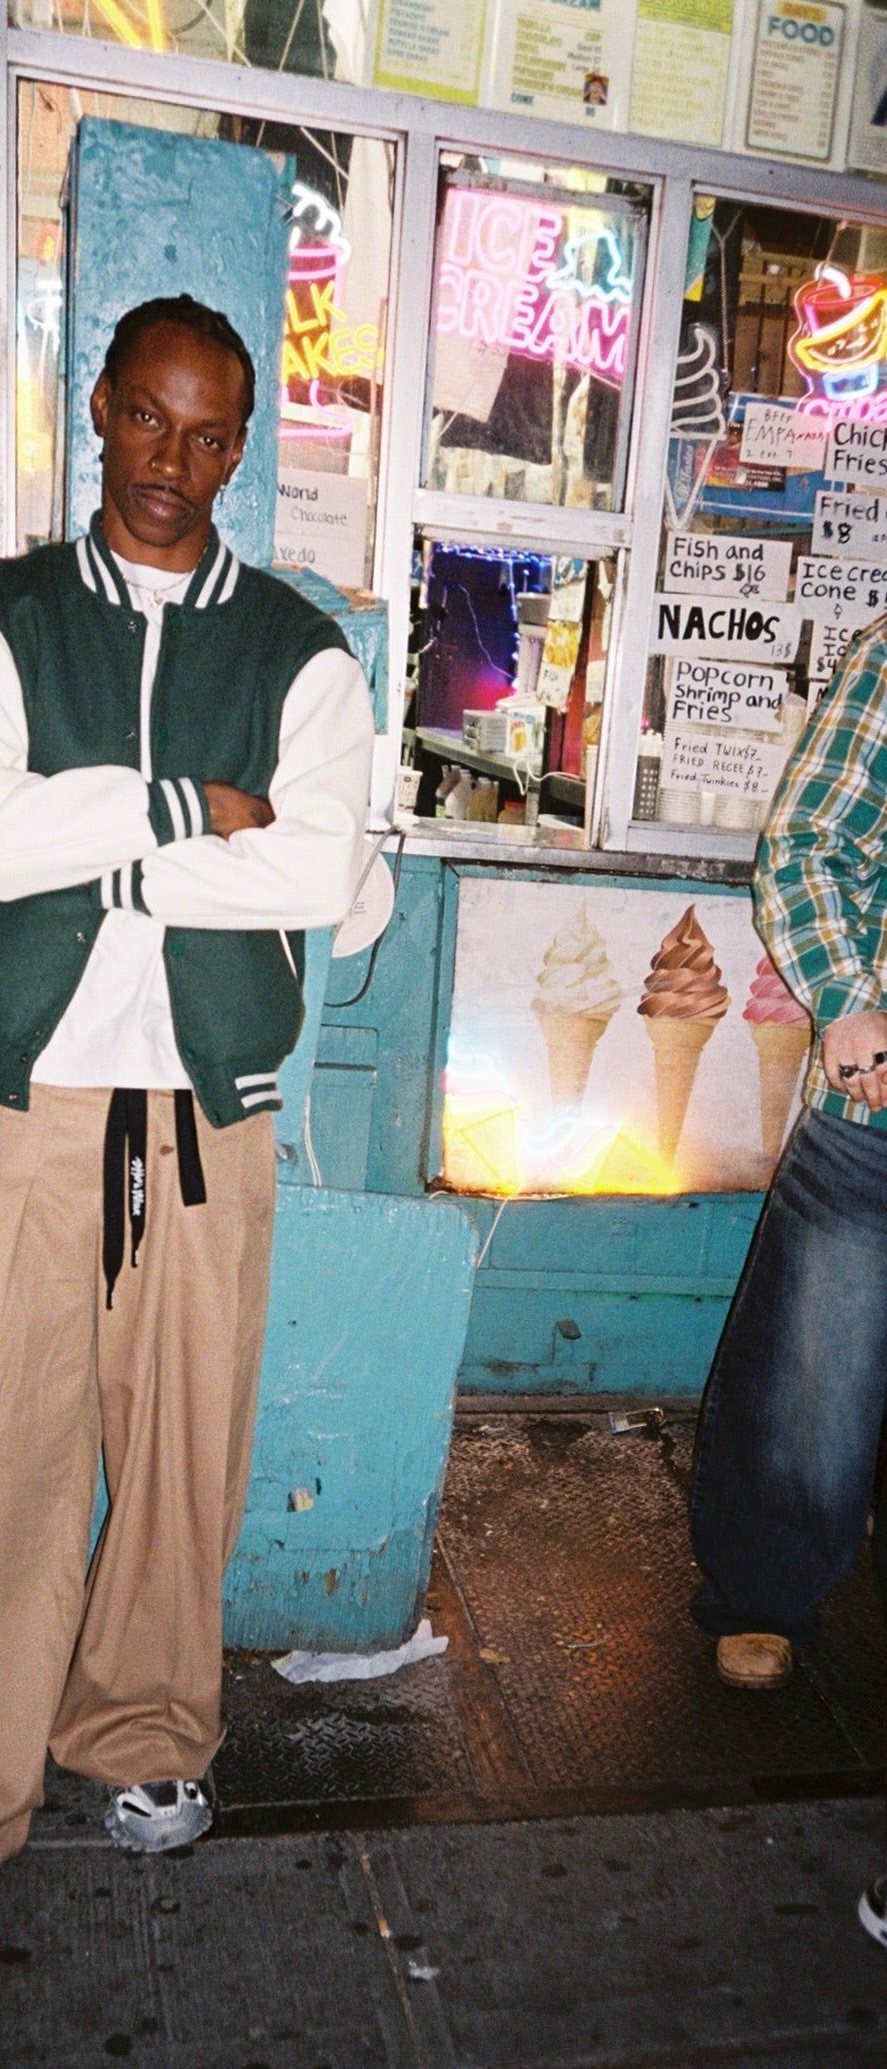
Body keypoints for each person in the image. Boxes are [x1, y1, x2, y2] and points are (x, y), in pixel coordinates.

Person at [0, 295, 373, 1941]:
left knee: (182, 1451)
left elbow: (321, 868)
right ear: (98, 409)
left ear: (238, 445)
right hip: (26, 1100)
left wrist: (93, 839)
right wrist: (193, 814)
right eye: (147, 420)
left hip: (211, 1104)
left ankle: (141, 1729)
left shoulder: (296, 645)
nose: (172, 461)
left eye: (209, 434)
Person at [677, 616, 887, 1939]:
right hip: (880, 1113)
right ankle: (763, 1590)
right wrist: (851, 1001)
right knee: (814, 1374)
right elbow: (810, 839)